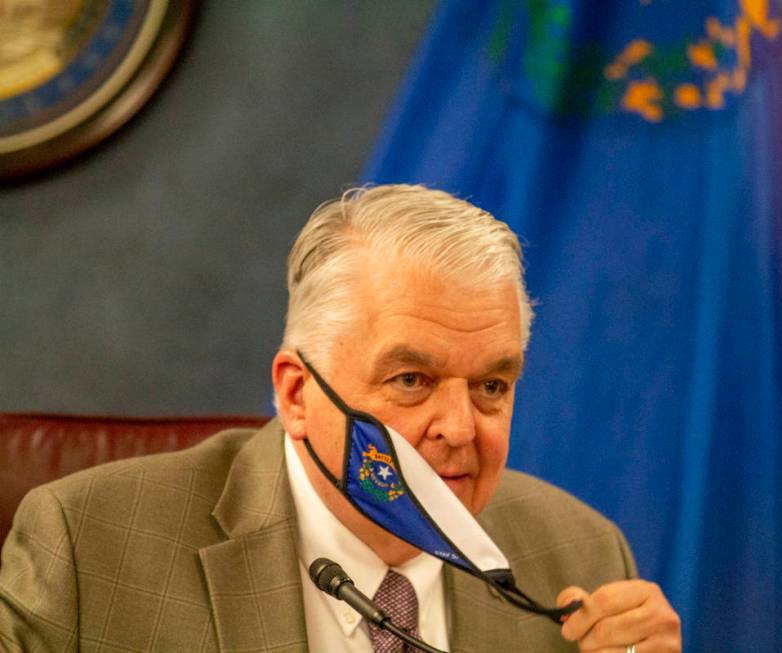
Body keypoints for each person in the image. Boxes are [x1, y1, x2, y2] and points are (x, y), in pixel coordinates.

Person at [0, 185, 681, 652]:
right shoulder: (87, 548)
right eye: (411, 380)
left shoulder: (582, 558)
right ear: (297, 393)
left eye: (491, 385)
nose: (461, 428)